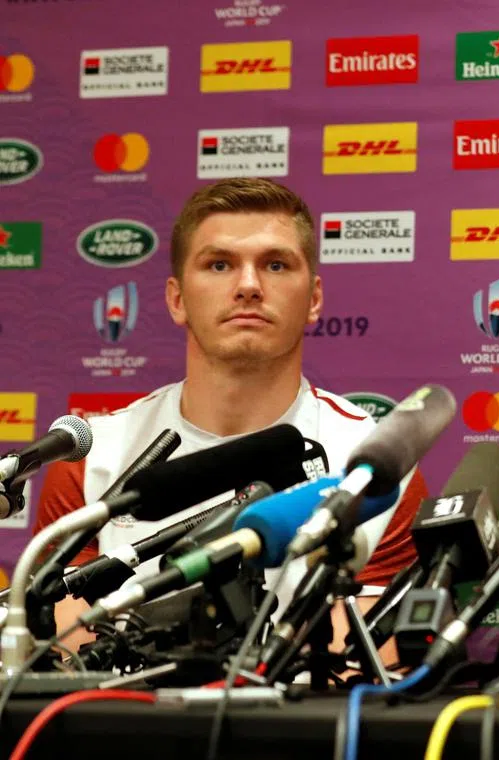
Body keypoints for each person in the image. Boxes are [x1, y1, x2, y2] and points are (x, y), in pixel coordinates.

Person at [34, 178, 428, 649]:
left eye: (276, 264)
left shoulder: (375, 466)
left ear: (315, 299)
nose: (248, 286)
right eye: (219, 264)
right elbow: (65, 655)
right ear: (177, 299)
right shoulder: (93, 458)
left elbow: (363, 665)